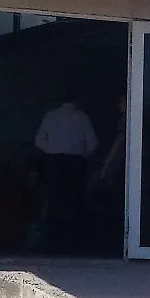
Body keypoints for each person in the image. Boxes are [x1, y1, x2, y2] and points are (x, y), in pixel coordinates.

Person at [34, 94, 99, 249]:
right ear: (76, 101)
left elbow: (39, 141)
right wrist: (83, 154)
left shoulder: (51, 116)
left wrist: (52, 151)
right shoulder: (81, 117)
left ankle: (51, 241)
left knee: (54, 200)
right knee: (74, 202)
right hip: (75, 164)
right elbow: (92, 143)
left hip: (54, 163)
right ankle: (72, 243)